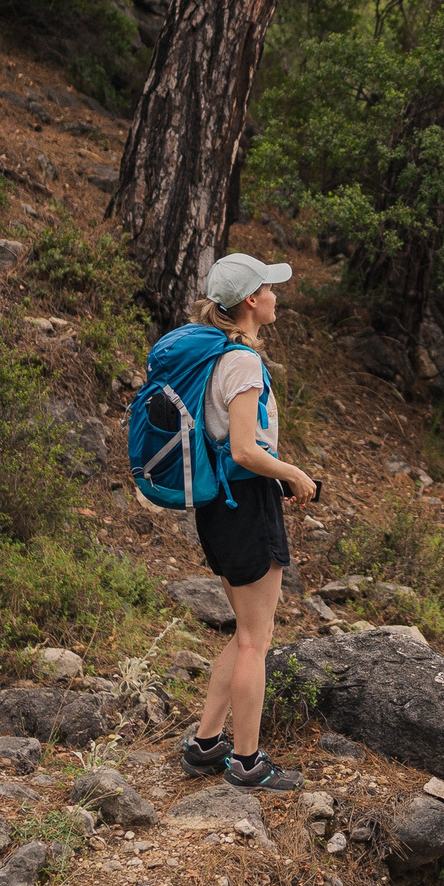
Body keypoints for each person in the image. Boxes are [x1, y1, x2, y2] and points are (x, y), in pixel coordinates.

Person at [177, 252, 315, 790]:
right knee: (258, 639)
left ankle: (206, 744)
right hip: (245, 503)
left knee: (243, 633)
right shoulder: (242, 362)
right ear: (251, 302)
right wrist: (293, 474)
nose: (278, 295)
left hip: (220, 508)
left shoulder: (216, 357)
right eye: (270, 288)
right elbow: (242, 449)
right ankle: (247, 762)